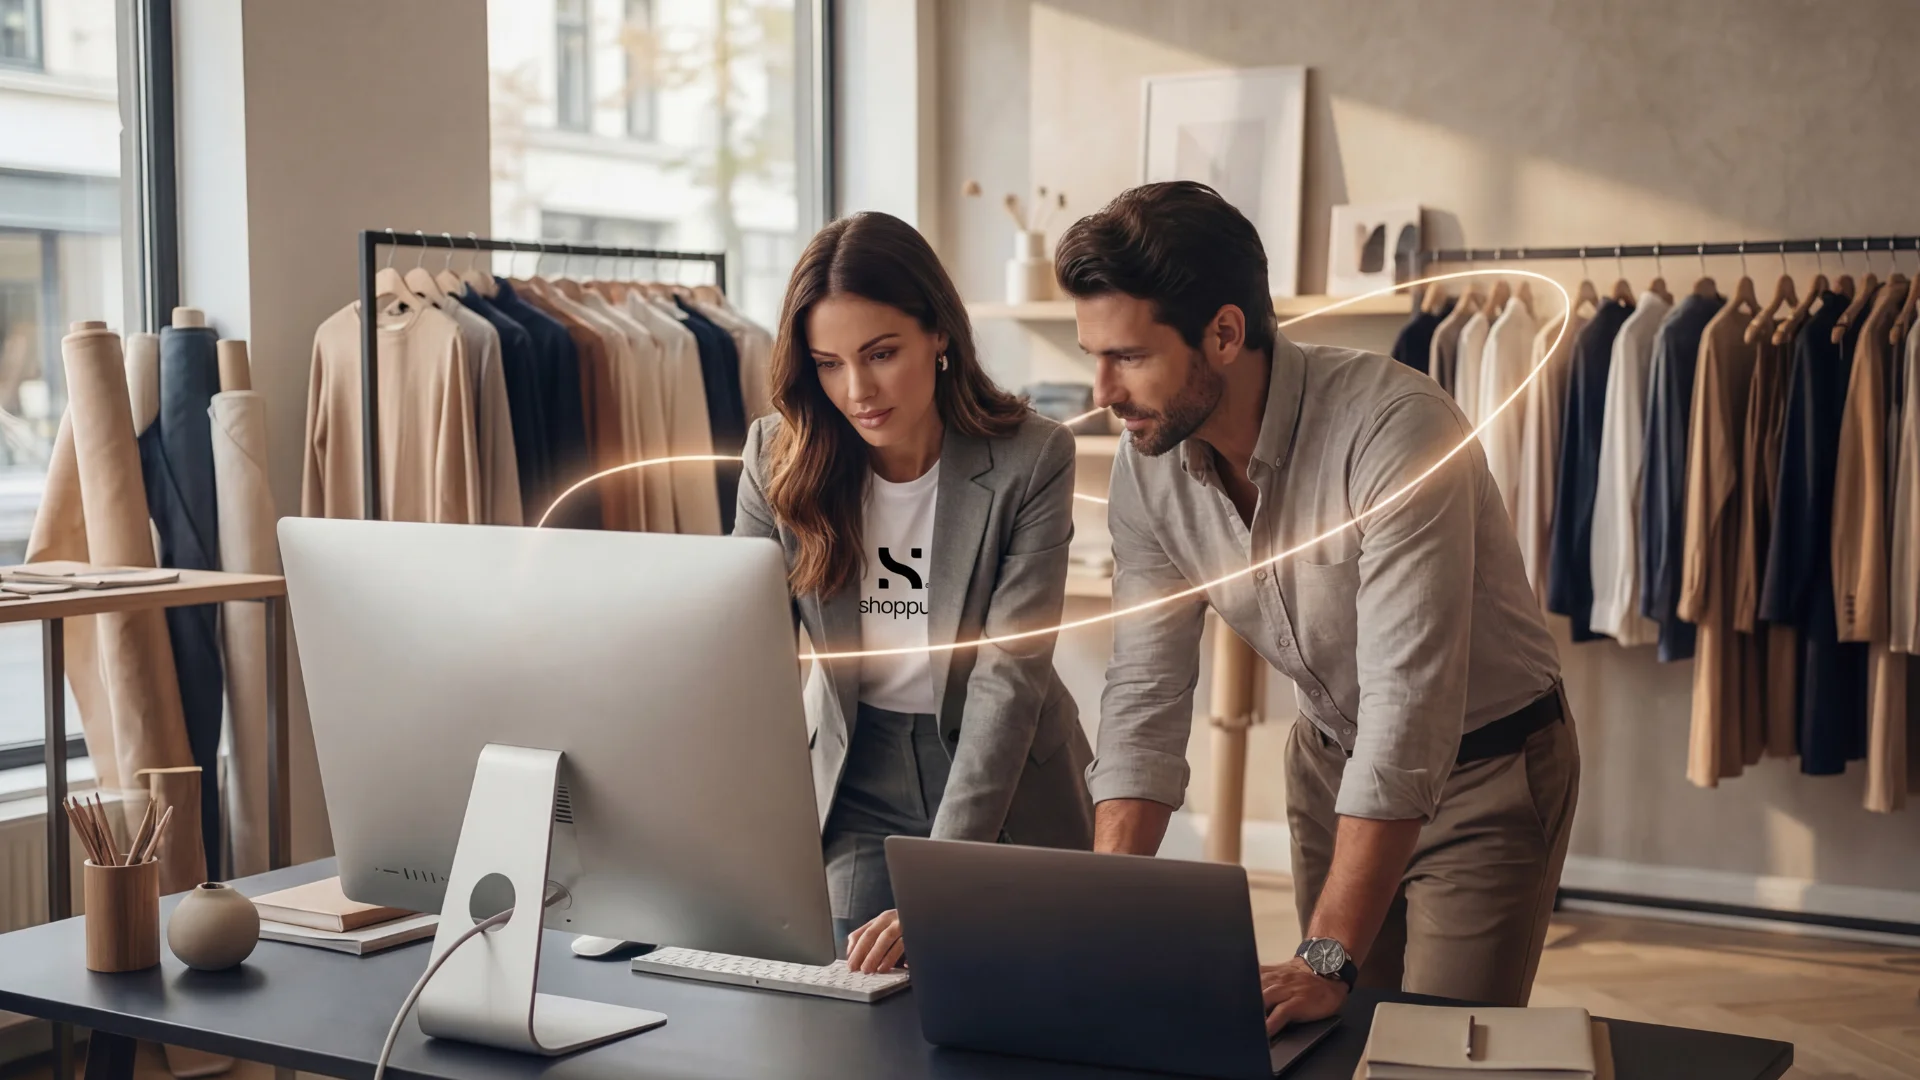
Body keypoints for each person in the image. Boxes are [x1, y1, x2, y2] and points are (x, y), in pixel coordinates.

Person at [1057, 182, 1578, 1029]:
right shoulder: (1146, 463)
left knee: (1436, 1047)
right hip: (1328, 762)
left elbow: (1408, 711)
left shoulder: (1396, 429)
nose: (1102, 391)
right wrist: (1101, 908)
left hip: (1488, 774)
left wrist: (1328, 953)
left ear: (1224, 334)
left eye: (1128, 356)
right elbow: (1145, 696)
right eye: (1093, 355)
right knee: (1331, 1037)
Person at [736, 210, 1094, 974]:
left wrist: (942, 884)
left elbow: (1006, 681)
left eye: (881, 353)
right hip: (856, 772)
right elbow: (737, 650)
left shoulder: (1034, 459)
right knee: (848, 996)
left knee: (1004, 999)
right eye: (828, 363)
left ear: (939, 335)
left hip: (1004, 778)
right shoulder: (776, 454)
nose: (856, 389)